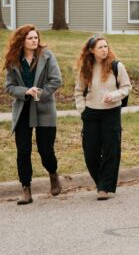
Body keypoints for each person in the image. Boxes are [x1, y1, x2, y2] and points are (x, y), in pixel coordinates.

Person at [4, 25, 62, 205]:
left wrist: (40, 93)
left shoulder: (47, 55)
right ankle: (26, 189)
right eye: (30, 38)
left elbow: (56, 80)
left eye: (35, 37)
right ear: (22, 40)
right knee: (23, 151)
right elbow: (9, 87)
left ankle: (53, 174)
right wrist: (25, 91)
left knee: (46, 150)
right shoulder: (13, 60)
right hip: (22, 109)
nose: (34, 40)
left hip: (44, 107)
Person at [74, 35, 131, 200]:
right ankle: (100, 181)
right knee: (90, 151)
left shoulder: (116, 66)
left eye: (106, 46)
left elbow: (126, 87)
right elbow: (79, 90)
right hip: (90, 113)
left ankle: (105, 187)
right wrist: (82, 109)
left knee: (111, 150)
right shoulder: (86, 68)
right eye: (100, 47)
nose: (104, 50)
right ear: (92, 50)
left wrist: (114, 95)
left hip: (112, 112)